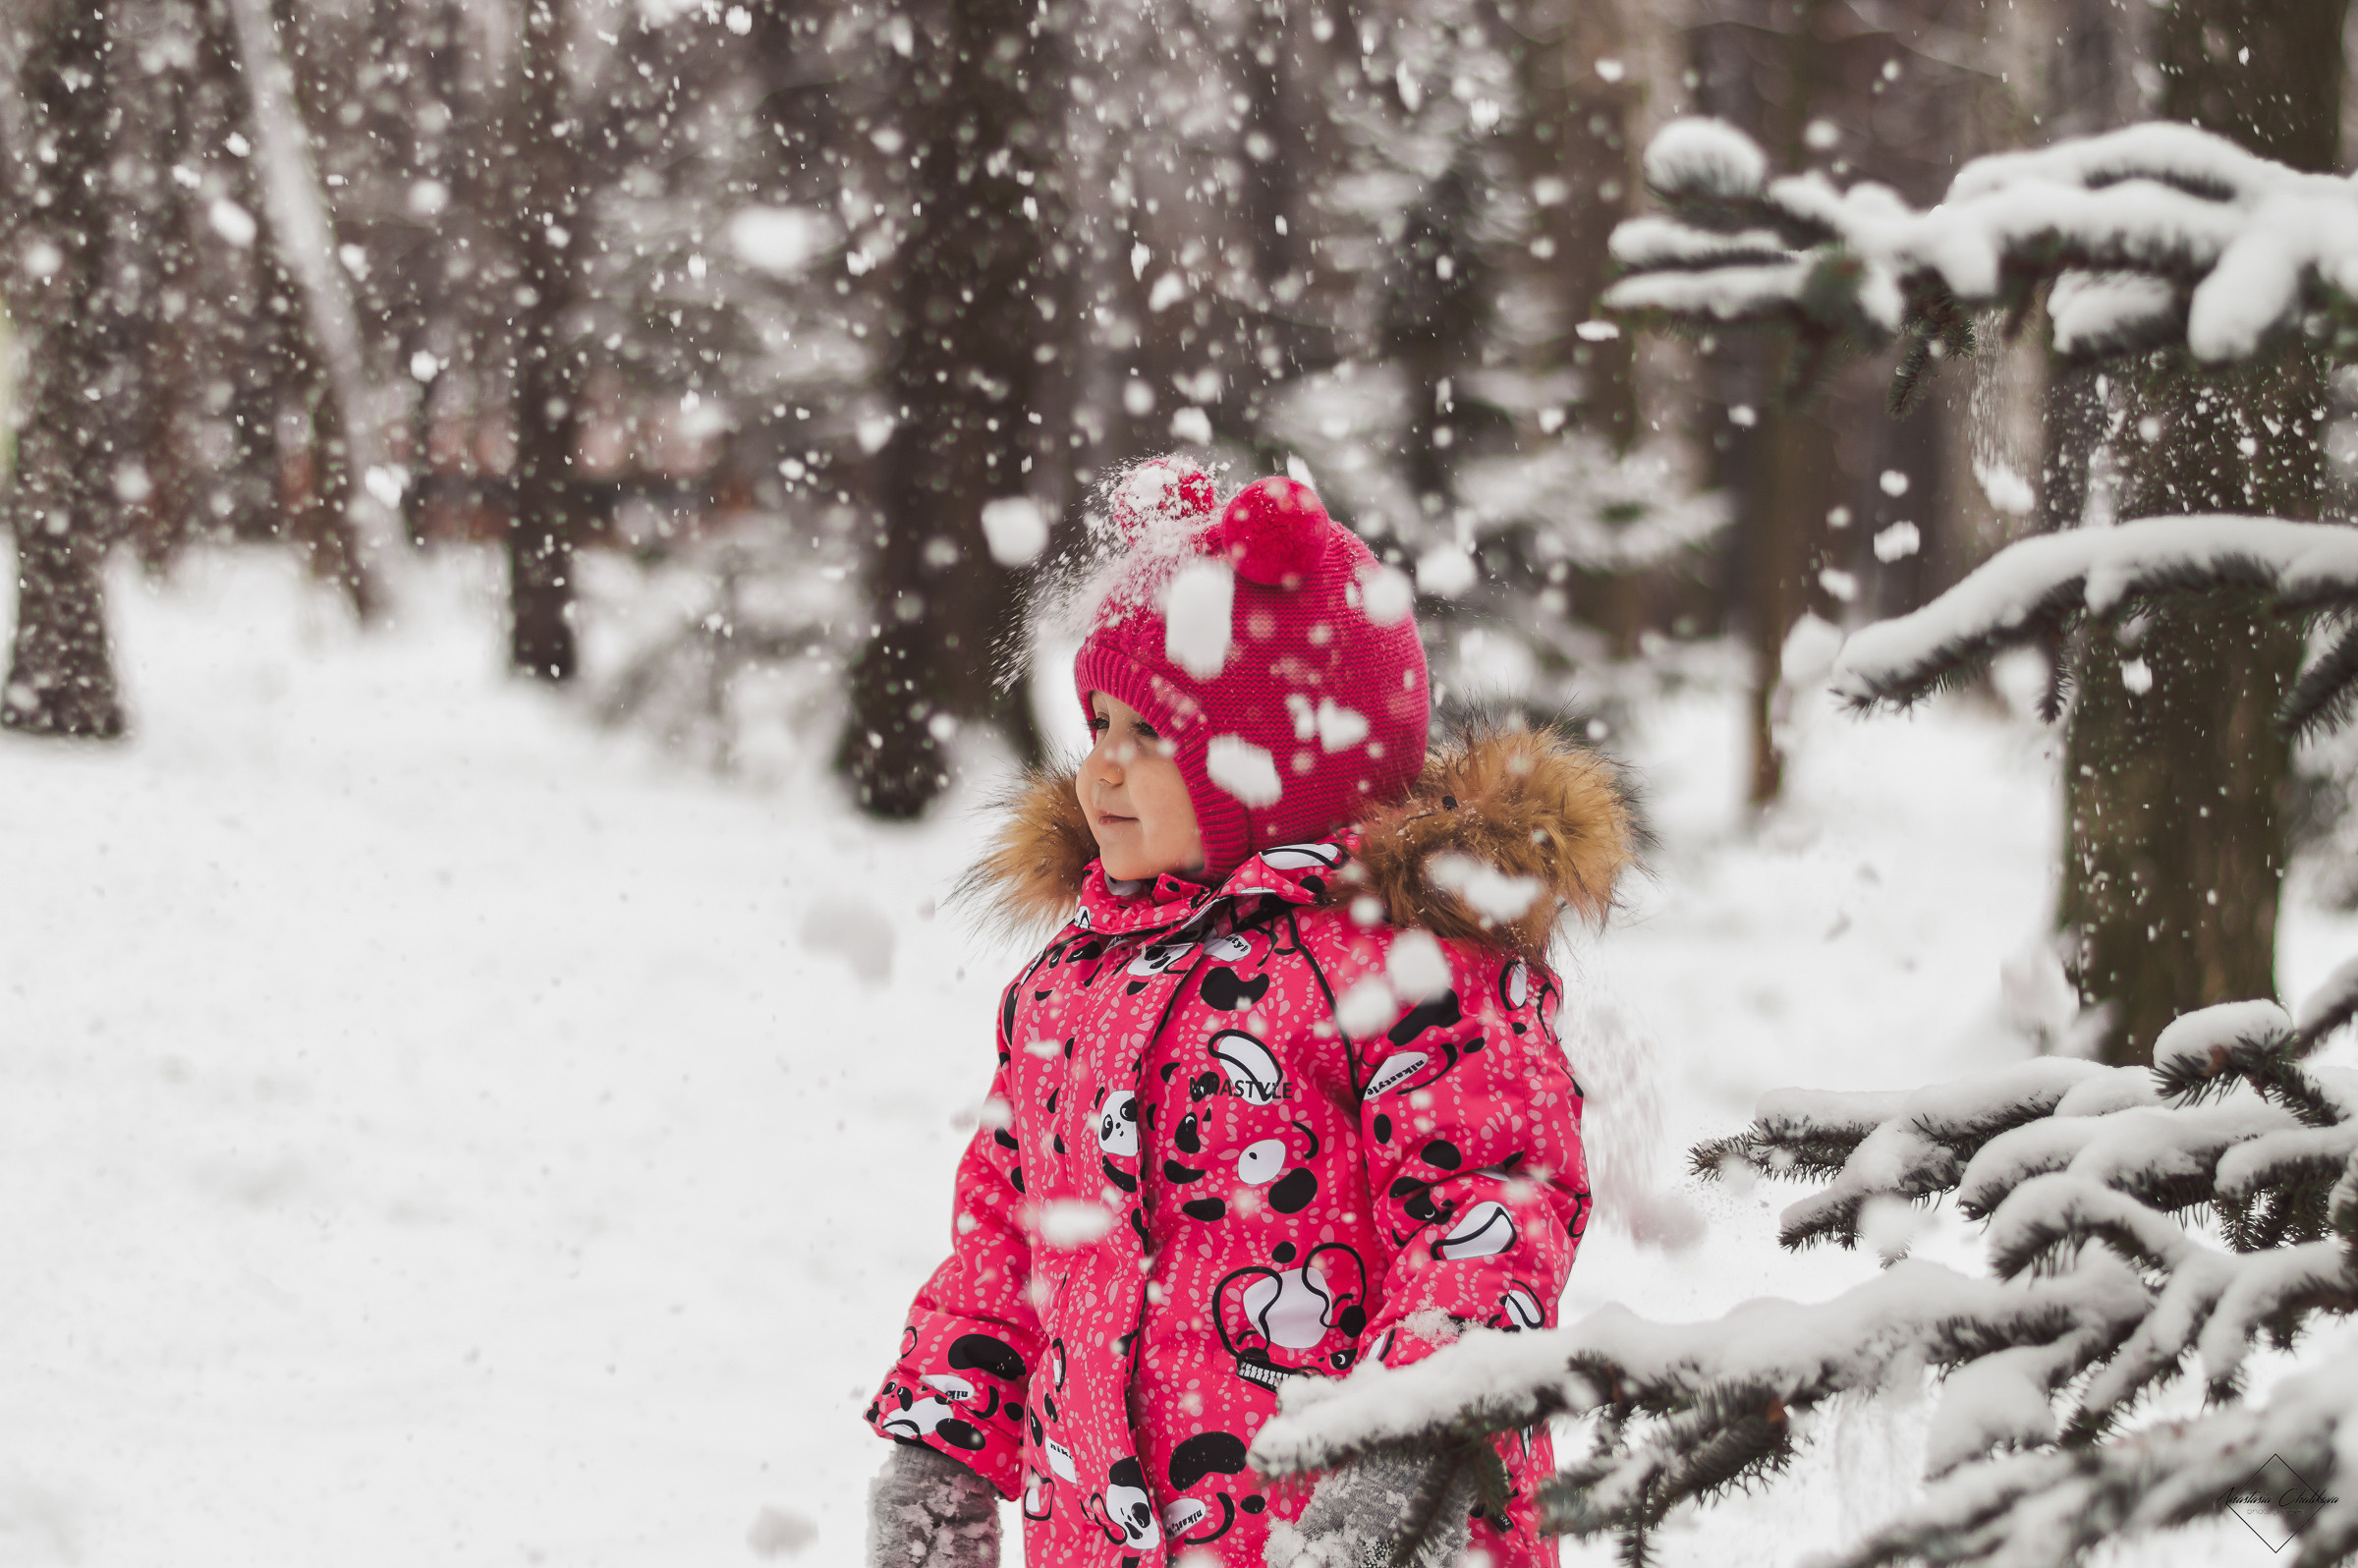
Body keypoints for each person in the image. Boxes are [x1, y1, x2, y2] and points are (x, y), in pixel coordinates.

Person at [863, 466, 1635, 1568]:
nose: (1103, 771)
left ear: (1275, 762)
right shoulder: (1072, 982)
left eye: (1149, 735)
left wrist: (1403, 1449)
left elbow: (1491, 1215)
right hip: (1104, 1537)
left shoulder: (1413, 971)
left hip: (1349, 1535)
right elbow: (1010, 1237)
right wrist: (945, 1442)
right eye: (1097, 726)